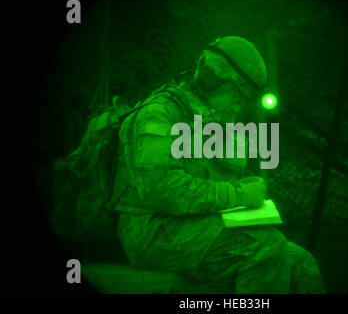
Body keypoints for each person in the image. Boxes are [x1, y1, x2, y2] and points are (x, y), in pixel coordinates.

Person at [111, 36, 325, 293]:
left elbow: (203, 180)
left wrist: (241, 186)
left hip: (192, 224)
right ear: (211, 81)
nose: (237, 107)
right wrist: (236, 194)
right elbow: (160, 190)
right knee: (267, 248)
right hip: (150, 232)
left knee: (301, 262)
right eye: (235, 96)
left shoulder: (204, 118)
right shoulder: (157, 114)